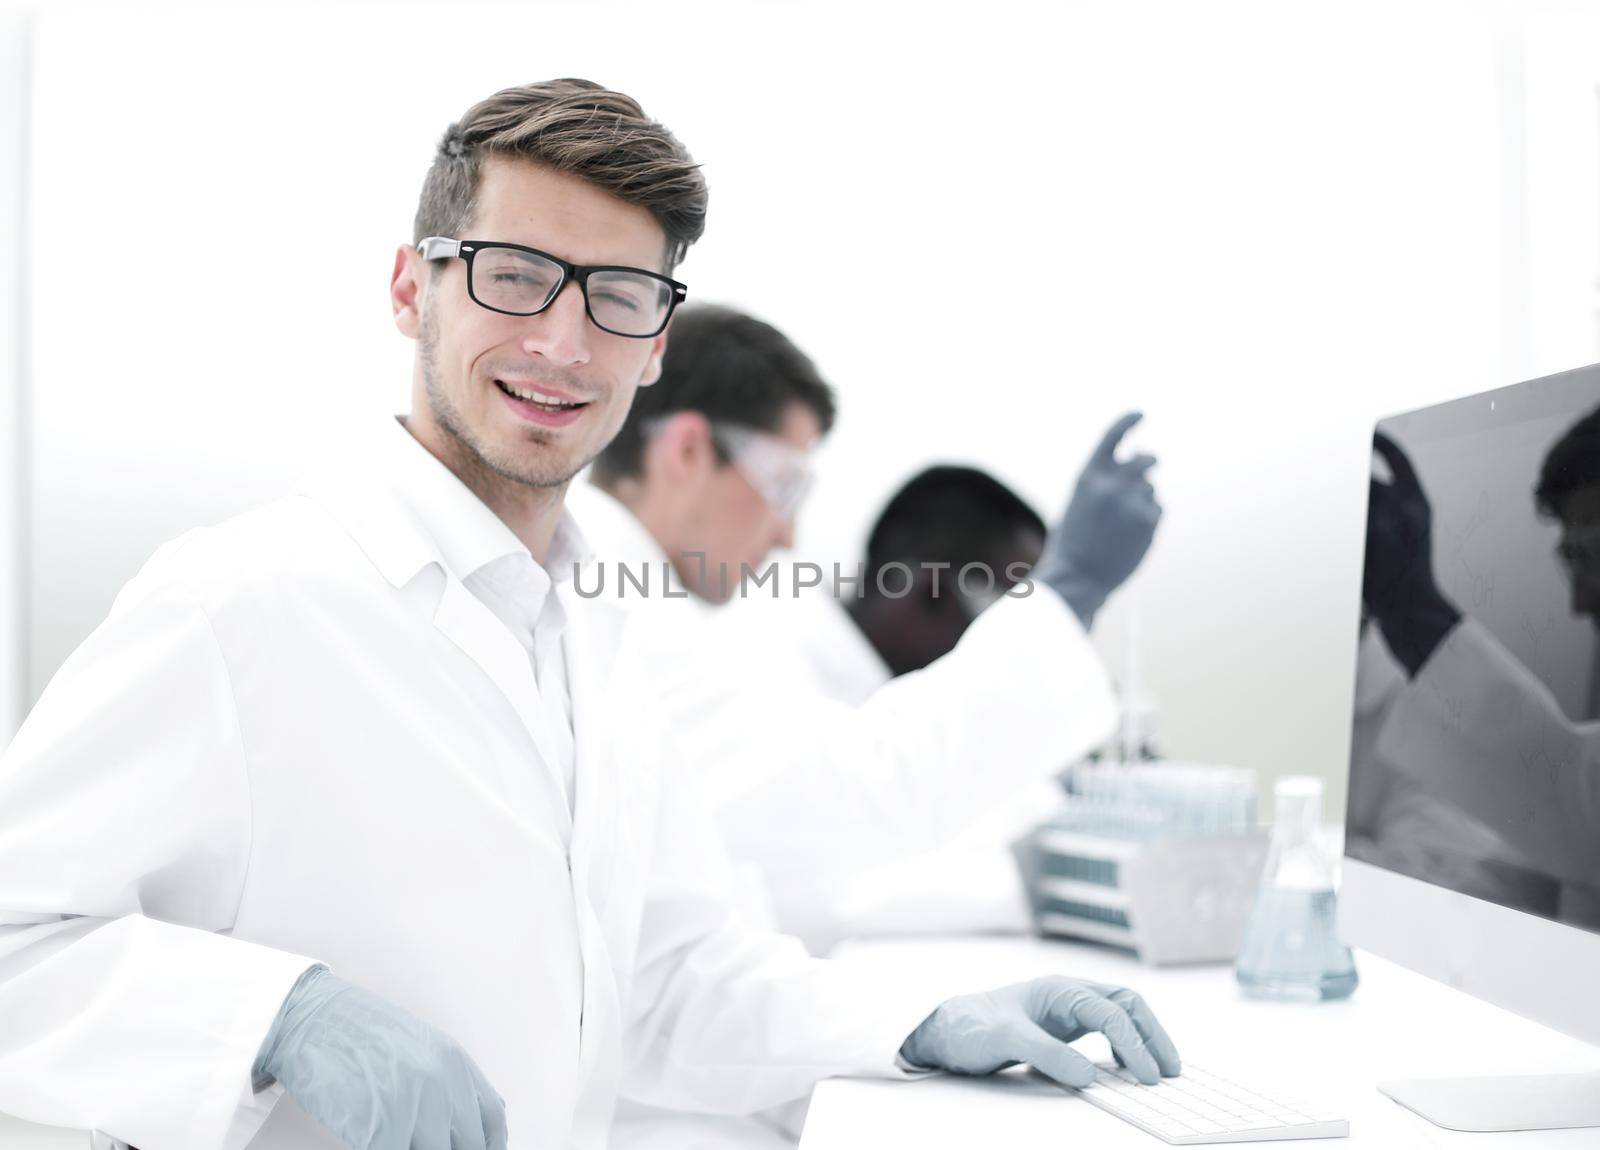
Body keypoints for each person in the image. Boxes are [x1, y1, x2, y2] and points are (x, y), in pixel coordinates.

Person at [0, 80, 1183, 1150]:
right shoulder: (240, 601)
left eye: (616, 297)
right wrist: (276, 1014)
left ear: (657, 341)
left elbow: (664, 978)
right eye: (514, 275)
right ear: (414, 287)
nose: (563, 343)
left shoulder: (591, 633)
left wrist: (924, 1019)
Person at [572, 303, 1162, 945]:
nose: (786, 536)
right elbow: (847, 805)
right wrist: (1070, 586)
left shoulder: (628, 598)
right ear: (686, 450)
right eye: (783, 484)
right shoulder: (617, 612)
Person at [1355, 421, 1600, 928]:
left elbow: (1569, 804)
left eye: (1590, 556)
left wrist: (1411, 607)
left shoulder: (1402, 706)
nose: (1579, 605)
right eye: (1569, 559)